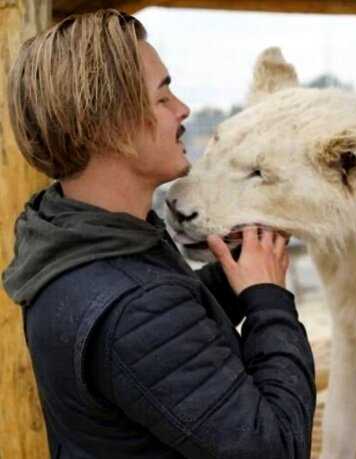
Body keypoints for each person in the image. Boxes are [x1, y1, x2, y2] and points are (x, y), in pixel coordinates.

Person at [2, 9, 315, 458]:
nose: (183, 109)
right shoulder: (135, 307)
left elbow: (159, 328)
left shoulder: (67, 237)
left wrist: (233, 277)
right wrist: (269, 302)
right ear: (110, 125)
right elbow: (276, 446)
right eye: (162, 97)